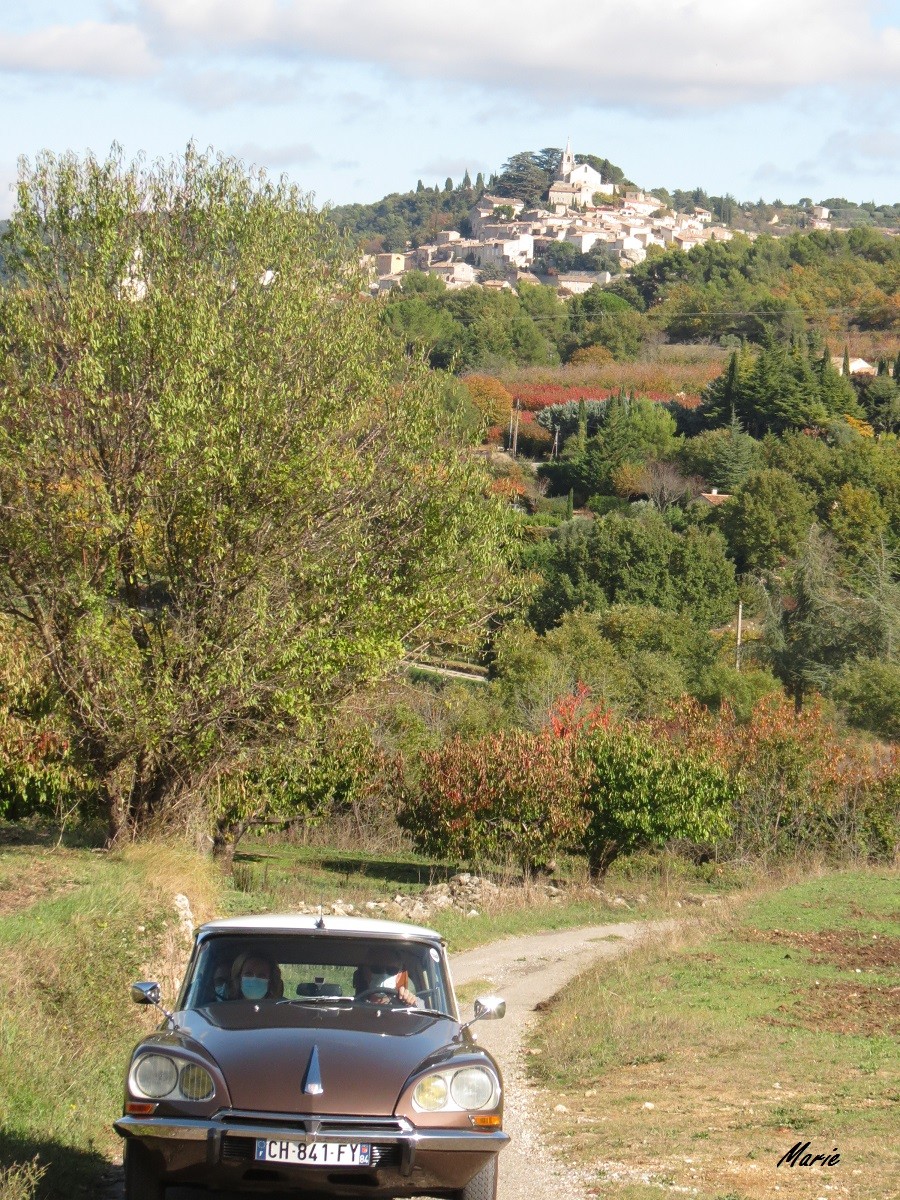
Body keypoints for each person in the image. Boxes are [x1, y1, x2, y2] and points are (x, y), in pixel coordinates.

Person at [352, 952, 419, 1007]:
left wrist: (411, 1005)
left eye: (392, 970)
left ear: (399, 975)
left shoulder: (412, 1003)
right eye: (377, 969)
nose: (384, 975)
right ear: (365, 972)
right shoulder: (351, 1006)